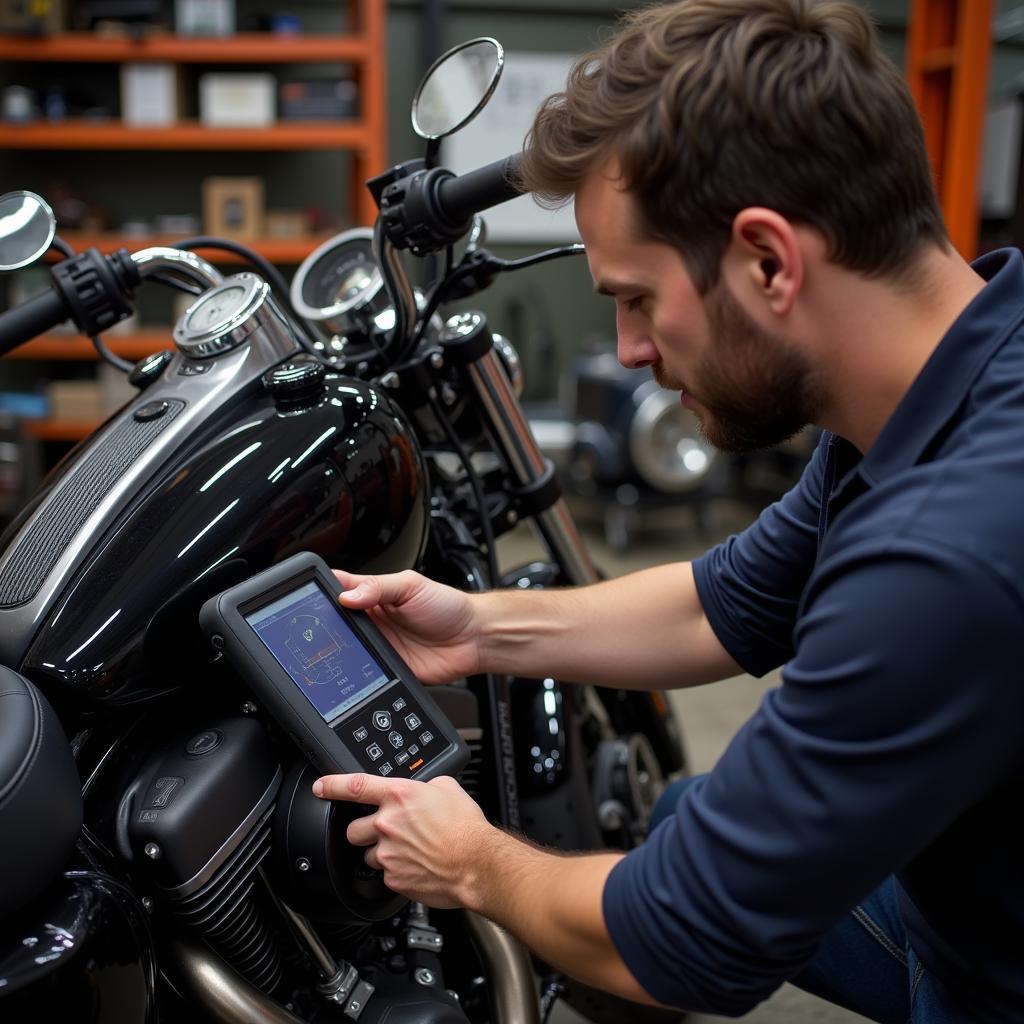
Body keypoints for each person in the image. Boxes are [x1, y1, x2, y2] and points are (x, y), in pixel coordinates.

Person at [313, 1, 1024, 1020]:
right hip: (965, 884)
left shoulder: (945, 556)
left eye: (637, 297)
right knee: (687, 811)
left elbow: (682, 941)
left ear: (769, 261)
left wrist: (470, 860)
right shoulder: (937, 376)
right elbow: (715, 606)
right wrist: (476, 630)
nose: (631, 347)